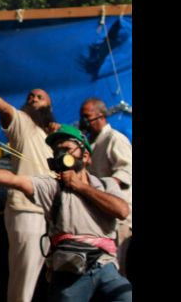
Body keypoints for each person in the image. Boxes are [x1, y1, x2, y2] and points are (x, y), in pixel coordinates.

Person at [0, 125, 132, 302]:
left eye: (67, 148)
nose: (61, 154)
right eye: (57, 150)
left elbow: (122, 211)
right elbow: (16, 180)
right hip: (69, 270)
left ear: (85, 156)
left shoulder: (107, 184)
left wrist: (79, 186)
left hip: (105, 265)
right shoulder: (52, 186)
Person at [0, 85, 55, 302]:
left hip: (50, 213)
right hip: (28, 209)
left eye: (40, 97)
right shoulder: (24, 123)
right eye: (30, 96)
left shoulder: (49, 136)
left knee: (42, 278)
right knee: (24, 280)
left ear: (49, 107)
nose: (33, 99)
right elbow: (4, 108)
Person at [79, 98, 132, 275]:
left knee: (118, 270)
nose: (84, 121)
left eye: (87, 116)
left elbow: (126, 171)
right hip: (100, 216)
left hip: (118, 217)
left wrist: (101, 191)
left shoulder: (114, 138)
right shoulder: (92, 144)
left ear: (100, 115)